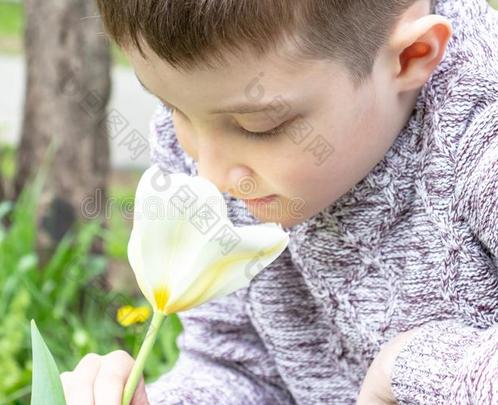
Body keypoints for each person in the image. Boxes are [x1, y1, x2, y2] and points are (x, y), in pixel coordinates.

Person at [59, 0, 498, 403]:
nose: (209, 176)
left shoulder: (481, 134)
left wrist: (408, 370)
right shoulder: (208, 124)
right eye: (170, 106)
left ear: (410, 56)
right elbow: (238, 365)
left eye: (259, 126)